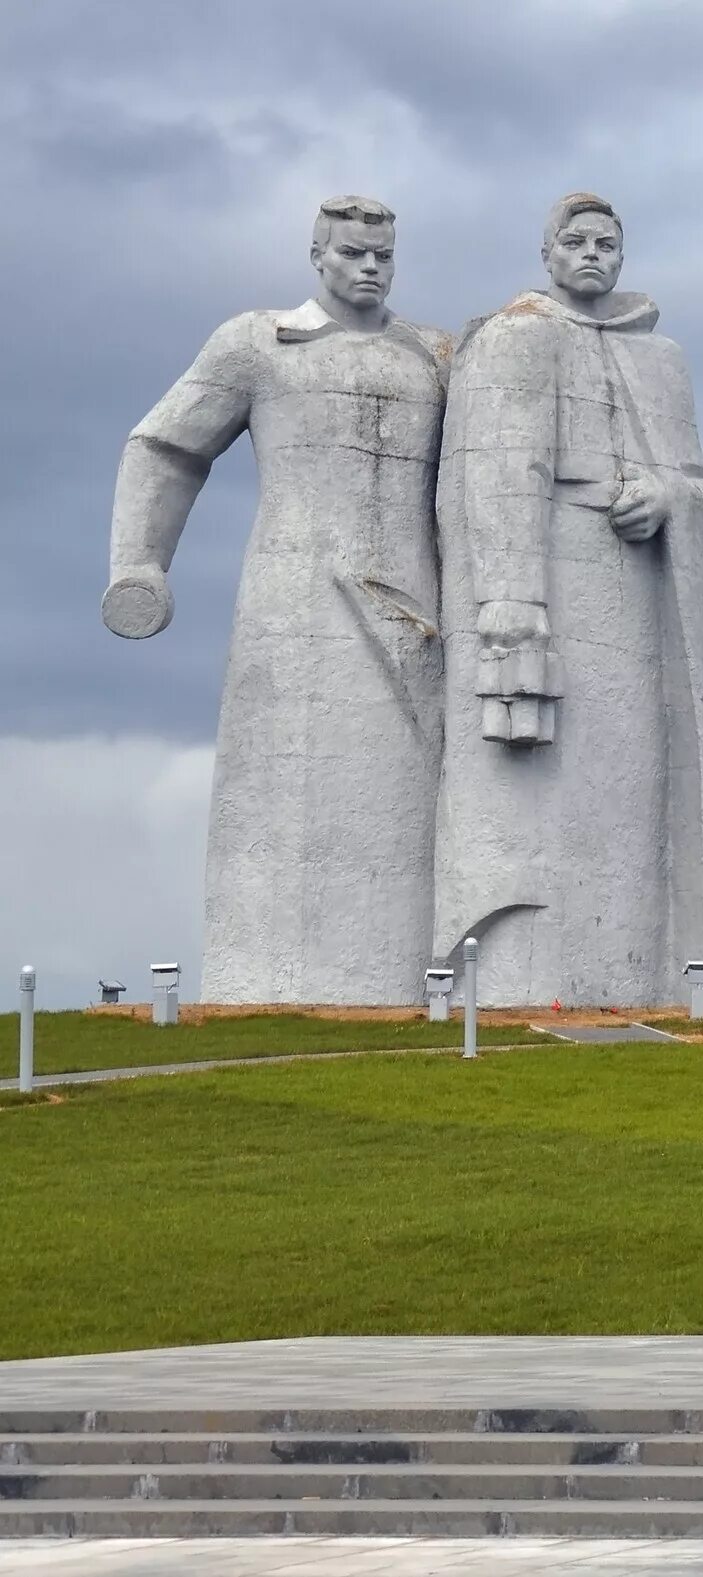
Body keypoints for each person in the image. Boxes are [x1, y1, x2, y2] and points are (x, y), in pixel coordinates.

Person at [101, 196, 450, 1003]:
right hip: (293, 608)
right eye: (354, 252)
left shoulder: (432, 355)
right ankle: (268, 980)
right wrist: (139, 563)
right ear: (318, 255)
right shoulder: (258, 342)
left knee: (401, 800)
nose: (370, 267)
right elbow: (167, 446)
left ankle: (402, 989)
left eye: (384, 256)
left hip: (417, 614)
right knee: (283, 799)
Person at [432, 193, 703, 1007]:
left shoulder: (662, 359)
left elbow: (696, 479)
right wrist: (512, 601)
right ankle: (514, 980)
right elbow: (491, 473)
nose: (593, 252)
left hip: (631, 593)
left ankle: (634, 976)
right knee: (528, 798)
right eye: (577, 240)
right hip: (547, 588)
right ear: (548, 253)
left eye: (608, 241)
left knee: (629, 793)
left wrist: (666, 496)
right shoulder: (515, 337)